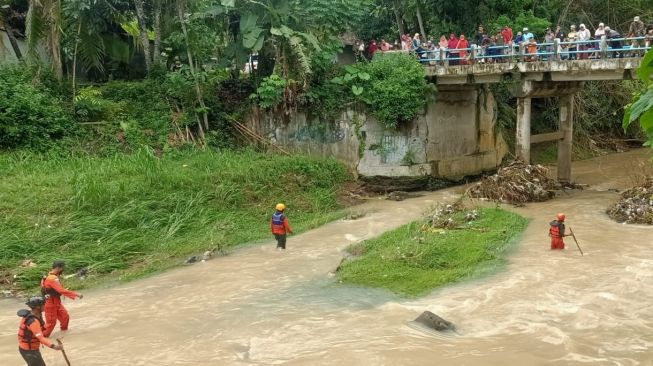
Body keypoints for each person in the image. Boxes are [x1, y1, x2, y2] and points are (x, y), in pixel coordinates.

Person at [40, 261, 83, 337]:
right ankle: (40, 338)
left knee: (65, 317)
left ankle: (64, 334)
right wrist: (76, 294)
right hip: (50, 304)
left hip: (56, 302)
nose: (63, 270)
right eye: (62, 269)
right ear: (58, 268)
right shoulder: (52, 278)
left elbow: (55, 289)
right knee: (50, 325)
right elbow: (60, 290)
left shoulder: (49, 276)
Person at [18, 296, 64, 366]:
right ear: (37, 307)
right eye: (43, 304)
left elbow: (41, 329)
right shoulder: (33, 321)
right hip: (29, 351)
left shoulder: (35, 315)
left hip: (27, 349)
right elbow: (41, 338)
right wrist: (54, 346)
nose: (45, 305)